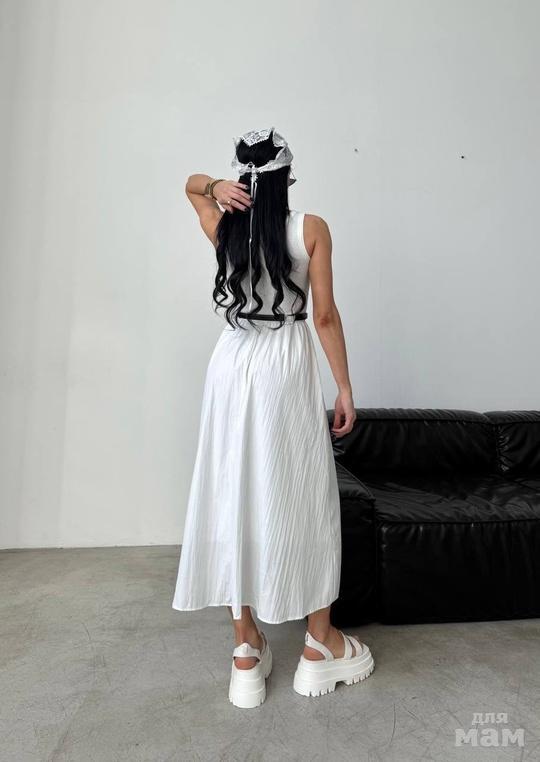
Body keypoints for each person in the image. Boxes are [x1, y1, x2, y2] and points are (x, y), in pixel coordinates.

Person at [172, 127, 374, 708]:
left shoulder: (224, 227)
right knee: (305, 491)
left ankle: (245, 650)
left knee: (231, 490)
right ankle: (320, 644)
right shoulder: (310, 228)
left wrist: (214, 185)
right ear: (287, 176)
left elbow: (190, 187)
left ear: (242, 179)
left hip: (231, 362)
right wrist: (344, 387)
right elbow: (325, 316)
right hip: (284, 362)